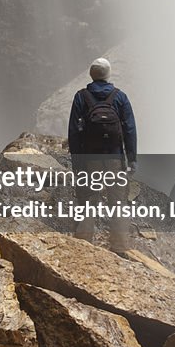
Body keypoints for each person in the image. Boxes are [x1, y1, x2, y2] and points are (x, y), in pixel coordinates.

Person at [67, 57, 137, 252]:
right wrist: (132, 159)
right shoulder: (120, 97)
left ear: (91, 75)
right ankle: (120, 247)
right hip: (115, 158)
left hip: (90, 159)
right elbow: (130, 130)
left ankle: (83, 244)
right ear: (108, 74)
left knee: (88, 199)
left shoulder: (81, 97)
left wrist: (77, 161)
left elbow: (73, 132)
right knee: (118, 202)